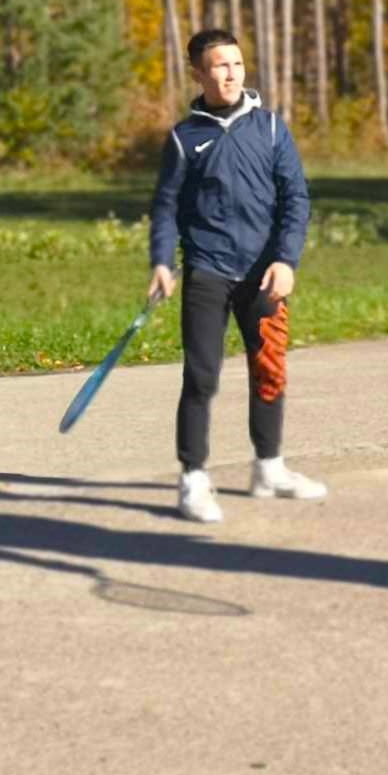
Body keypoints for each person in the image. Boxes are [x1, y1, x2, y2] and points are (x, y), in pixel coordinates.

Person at [148, 29, 326, 524]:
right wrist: (162, 261)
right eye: (220, 66)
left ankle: (269, 468)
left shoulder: (270, 129)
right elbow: (166, 208)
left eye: (238, 65)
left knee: (269, 369)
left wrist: (286, 260)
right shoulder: (185, 139)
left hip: (264, 274)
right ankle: (193, 480)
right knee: (201, 377)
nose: (231, 74)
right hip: (207, 270)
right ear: (199, 73)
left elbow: (296, 199)